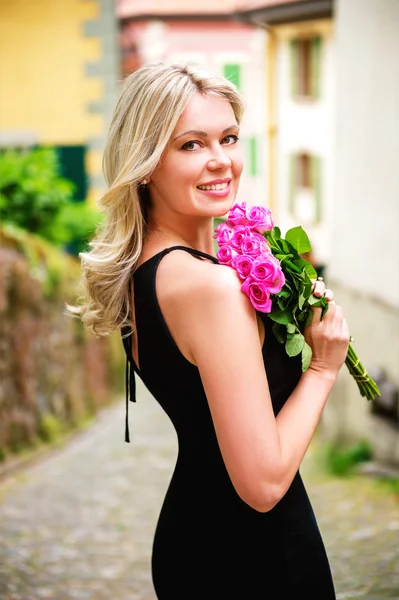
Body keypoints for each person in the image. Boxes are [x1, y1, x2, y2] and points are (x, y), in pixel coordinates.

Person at [71, 63, 349, 599]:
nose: (220, 160)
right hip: (251, 558)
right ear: (147, 163)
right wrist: (321, 367)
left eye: (227, 138)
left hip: (197, 541)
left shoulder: (146, 271)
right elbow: (264, 484)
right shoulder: (209, 287)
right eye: (191, 145)